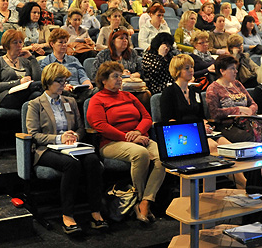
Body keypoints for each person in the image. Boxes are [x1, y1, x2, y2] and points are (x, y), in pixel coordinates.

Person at [26, 62, 107, 234]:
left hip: (71, 146)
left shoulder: (70, 101)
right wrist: (59, 138)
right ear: (48, 82)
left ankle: (95, 210)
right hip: (46, 149)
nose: (64, 84)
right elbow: (34, 135)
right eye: (60, 81)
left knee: (92, 160)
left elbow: (80, 127)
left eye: (64, 81)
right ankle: (68, 214)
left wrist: (75, 136)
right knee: (72, 164)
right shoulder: (35, 104)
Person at [87, 61, 166, 223]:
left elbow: (146, 117)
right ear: (103, 80)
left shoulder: (128, 96)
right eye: (115, 76)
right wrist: (128, 137)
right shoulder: (97, 100)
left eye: (120, 76)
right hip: (111, 143)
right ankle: (136, 202)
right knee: (141, 154)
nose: (119, 79)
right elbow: (100, 125)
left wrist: (137, 132)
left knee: (163, 156)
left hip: (138, 137)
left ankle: (146, 201)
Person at [160, 55, 243, 187]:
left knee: (228, 148)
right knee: (213, 147)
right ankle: (240, 185)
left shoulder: (194, 91)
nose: (191, 70)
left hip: (200, 130)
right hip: (182, 135)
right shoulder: (169, 92)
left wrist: (204, 123)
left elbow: (200, 115)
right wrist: (196, 128)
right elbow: (168, 121)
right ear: (177, 71)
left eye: (192, 67)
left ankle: (242, 186)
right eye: (187, 68)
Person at [206, 55, 262, 143]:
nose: (236, 71)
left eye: (235, 68)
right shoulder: (213, 88)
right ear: (222, 71)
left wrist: (250, 110)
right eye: (232, 69)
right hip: (227, 124)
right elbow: (214, 113)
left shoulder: (237, 84)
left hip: (246, 121)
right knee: (247, 136)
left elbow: (253, 104)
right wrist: (238, 110)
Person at [0, 30, 43, 109]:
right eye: (15, 43)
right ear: (7, 45)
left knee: (37, 94)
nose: (19, 45)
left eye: (20, 42)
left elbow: (37, 78)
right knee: (37, 88)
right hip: (6, 97)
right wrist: (19, 82)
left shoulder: (25, 61)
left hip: (24, 94)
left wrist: (32, 59)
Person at [38, 28, 94, 94]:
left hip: (78, 90)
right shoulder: (46, 62)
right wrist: (63, 87)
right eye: (61, 42)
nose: (64, 45)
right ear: (52, 44)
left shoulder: (73, 59)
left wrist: (87, 83)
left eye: (65, 42)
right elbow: (47, 82)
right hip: (60, 92)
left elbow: (83, 76)